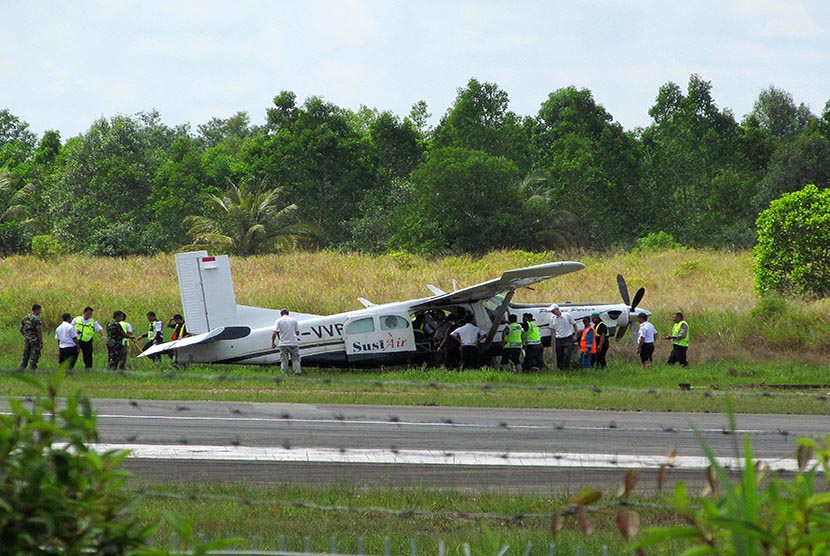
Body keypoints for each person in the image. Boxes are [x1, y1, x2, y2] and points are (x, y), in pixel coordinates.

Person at [271, 308, 301, 375]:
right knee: (295, 359)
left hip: (283, 344)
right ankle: (297, 372)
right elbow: (297, 332)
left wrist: (273, 343)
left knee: (284, 360)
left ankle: (284, 373)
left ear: (281, 314)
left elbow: (274, 332)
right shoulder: (294, 320)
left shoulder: (278, 321)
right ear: (288, 313)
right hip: (293, 343)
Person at [548, 304, 577, 369]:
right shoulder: (552, 318)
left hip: (567, 337)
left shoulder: (567, 315)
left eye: (553, 311)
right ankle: (560, 368)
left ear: (557, 309)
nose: (552, 312)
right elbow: (552, 329)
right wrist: (552, 340)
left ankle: (566, 367)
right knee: (559, 354)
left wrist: (575, 334)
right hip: (558, 338)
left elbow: (574, 324)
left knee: (567, 354)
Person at [19, 304, 43, 370]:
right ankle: (32, 369)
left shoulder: (25, 318)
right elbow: (39, 331)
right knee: (35, 355)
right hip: (35, 339)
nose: (40, 312)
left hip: (27, 339)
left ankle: (22, 368)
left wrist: (26, 336)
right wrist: (41, 341)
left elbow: (20, 329)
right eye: (39, 310)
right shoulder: (37, 319)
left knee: (26, 354)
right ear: (36, 310)